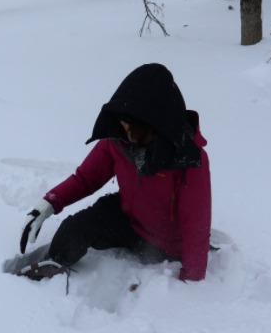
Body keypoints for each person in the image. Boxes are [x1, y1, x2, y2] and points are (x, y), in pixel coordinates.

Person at [15, 63, 211, 282]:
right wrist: (46, 205)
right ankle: (52, 264)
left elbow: (196, 224)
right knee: (75, 227)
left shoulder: (189, 159)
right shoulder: (119, 142)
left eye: (131, 122)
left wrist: (192, 278)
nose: (124, 127)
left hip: (165, 246)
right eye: (122, 120)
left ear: (153, 121)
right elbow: (85, 179)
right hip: (130, 222)